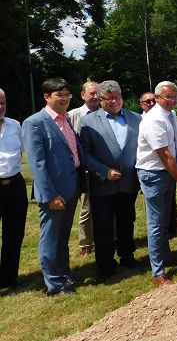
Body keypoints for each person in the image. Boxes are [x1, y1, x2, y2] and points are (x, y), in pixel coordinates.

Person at [22, 78, 86, 295]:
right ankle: (54, 285)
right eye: (60, 95)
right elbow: (37, 163)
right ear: (47, 97)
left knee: (63, 237)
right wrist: (51, 195)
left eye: (68, 94)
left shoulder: (65, 119)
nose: (65, 99)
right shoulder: (34, 123)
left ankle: (64, 274)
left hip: (71, 188)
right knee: (50, 239)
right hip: (54, 194)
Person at [79, 80, 142, 281]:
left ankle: (127, 256)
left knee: (127, 220)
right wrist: (103, 171)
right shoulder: (88, 122)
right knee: (103, 226)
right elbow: (85, 154)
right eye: (109, 98)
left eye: (117, 97)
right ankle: (105, 264)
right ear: (100, 99)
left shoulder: (136, 119)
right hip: (102, 184)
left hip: (129, 182)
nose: (114, 101)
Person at [136, 81, 177, 287]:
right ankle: (157, 271)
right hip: (154, 175)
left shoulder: (169, 115)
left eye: (175, 96)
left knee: (164, 218)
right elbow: (165, 155)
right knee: (156, 223)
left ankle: (165, 256)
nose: (173, 100)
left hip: (165, 173)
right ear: (157, 98)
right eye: (168, 97)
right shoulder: (154, 119)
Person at [0, 88, 28, 289]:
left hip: (15, 186)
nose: (1, 107)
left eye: (3, 102)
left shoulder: (15, 125)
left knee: (14, 234)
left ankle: (9, 278)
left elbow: (22, 151)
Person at [68, 80, 99, 258]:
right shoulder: (73, 115)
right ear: (82, 95)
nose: (95, 97)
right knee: (86, 209)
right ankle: (86, 244)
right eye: (91, 93)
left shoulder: (105, 113)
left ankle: (114, 238)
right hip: (85, 170)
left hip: (104, 169)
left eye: (97, 93)